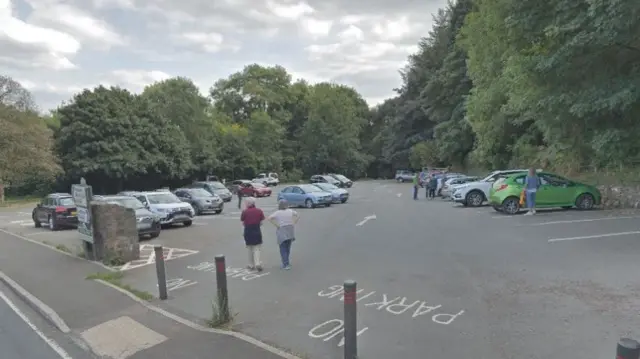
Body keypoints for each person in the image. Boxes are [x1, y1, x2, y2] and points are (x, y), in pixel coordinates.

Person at [267, 200, 299, 270]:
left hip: (282, 229)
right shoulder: (290, 211)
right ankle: (286, 261)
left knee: (282, 247)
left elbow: (269, 218)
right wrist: (294, 222)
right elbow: (297, 215)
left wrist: (276, 225)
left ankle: (286, 264)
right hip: (290, 229)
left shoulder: (278, 212)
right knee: (288, 246)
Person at [240, 197, 264, 271]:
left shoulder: (245, 212)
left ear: (247, 204)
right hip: (257, 231)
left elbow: (243, 221)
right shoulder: (259, 211)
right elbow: (261, 222)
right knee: (256, 248)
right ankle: (257, 263)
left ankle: (251, 265)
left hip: (248, 231)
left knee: (249, 248)